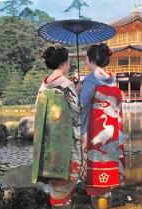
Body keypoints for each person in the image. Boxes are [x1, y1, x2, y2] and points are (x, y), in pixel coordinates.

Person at [32, 46, 82, 209]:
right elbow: (77, 112)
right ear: (64, 63)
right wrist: (78, 92)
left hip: (48, 141)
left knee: (54, 178)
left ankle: (57, 202)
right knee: (68, 175)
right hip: (65, 141)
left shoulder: (44, 85)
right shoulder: (67, 84)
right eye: (68, 61)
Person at [80, 43, 125, 209]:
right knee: (106, 182)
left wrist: (78, 90)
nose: (85, 61)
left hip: (93, 134)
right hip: (112, 134)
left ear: (91, 60)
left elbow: (82, 104)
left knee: (96, 182)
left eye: (85, 58)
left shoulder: (91, 79)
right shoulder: (111, 79)